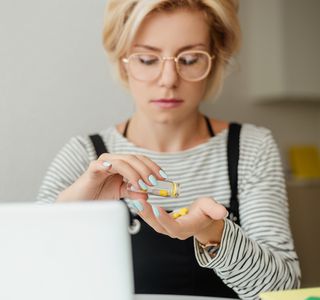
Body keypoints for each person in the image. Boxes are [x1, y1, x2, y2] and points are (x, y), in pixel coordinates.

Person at [37, 0, 301, 299]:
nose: (168, 80)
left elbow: (282, 291)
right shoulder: (85, 155)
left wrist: (215, 234)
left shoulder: (251, 147)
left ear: (214, 61)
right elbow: (29, 274)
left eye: (189, 59)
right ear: (123, 62)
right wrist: (66, 215)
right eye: (147, 60)